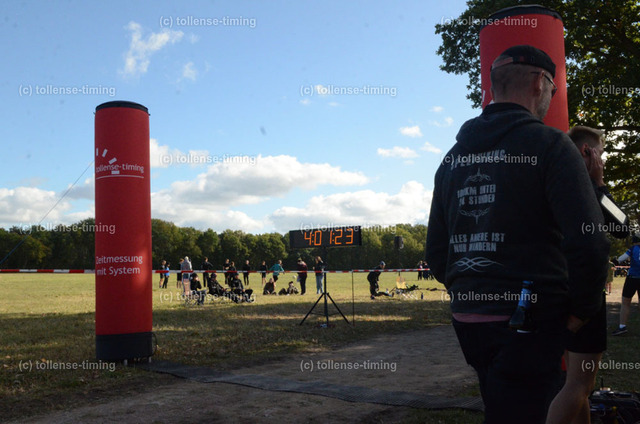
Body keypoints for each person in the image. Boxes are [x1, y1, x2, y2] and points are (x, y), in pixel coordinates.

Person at [425, 45, 610, 424]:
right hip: (530, 320)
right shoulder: (552, 145)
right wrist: (581, 311)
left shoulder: (452, 159)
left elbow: (437, 251)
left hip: (469, 318)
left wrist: (471, 289)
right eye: (554, 89)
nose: (551, 97)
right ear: (540, 83)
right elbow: (589, 241)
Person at [547, 126, 630, 424]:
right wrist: (600, 183)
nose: (603, 161)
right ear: (588, 152)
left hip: (557, 290)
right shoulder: (587, 191)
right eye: (601, 154)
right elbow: (622, 226)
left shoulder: (553, 183)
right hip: (585, 296)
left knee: (577, 383)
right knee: (580, 385)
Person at [612, 233, 640, 336]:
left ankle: (622, 326)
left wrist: (615, 260)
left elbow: (620, 259)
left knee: (625, 302)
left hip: (632, 278)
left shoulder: (632, 249)